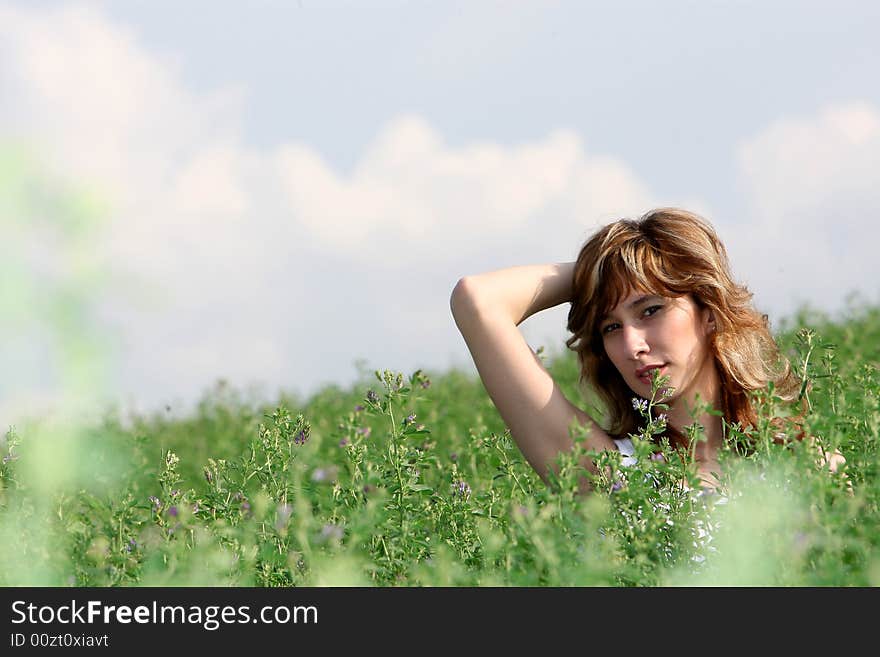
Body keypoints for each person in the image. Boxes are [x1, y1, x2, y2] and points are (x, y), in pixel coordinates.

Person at [450, 207, 845, 494]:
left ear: (709, 311)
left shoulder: (804, 465)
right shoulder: (611, 471)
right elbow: (478, 300)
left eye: (651, 310)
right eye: (610, 327)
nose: (632, 345)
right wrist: (600, 270)